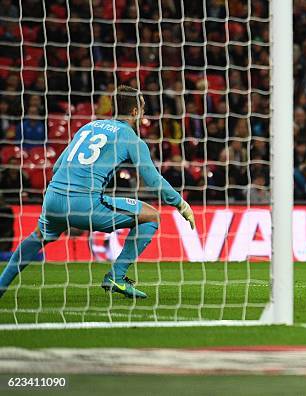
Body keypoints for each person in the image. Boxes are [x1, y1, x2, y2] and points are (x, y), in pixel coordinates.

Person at [0, 86, 195, 299]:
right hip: (84, 204)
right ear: (135, 112)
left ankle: (1, 285)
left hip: (53, 198)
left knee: (38, 236)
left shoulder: (88, 127)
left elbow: (57, 167)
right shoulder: (130, 137)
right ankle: (117, 276)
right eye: (143, 108)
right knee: (151, 216)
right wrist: (180, 204)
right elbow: (153, 180)